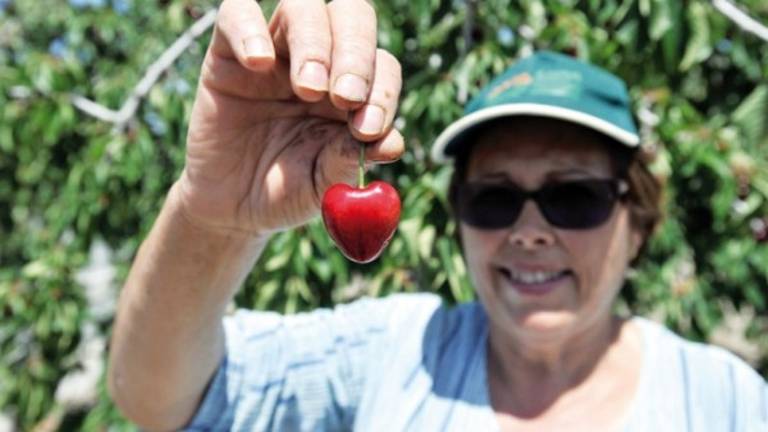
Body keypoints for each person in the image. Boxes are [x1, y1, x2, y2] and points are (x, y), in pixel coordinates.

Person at [107, 0, 768, 430]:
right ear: (458, 218)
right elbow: (160, 400)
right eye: (494, 198)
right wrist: (214, 218)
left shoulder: (724, 402)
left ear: (639, 220)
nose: (529, 229)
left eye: (574, 197)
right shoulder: (397, 354)